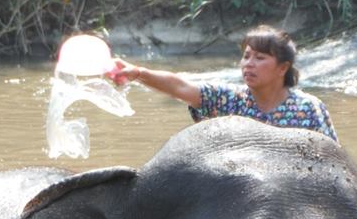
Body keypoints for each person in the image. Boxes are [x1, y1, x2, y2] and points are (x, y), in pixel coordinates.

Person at [106, 25, 338, 141]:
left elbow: (332, 161)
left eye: (259, 58)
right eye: (246, 56)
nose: (249, 64)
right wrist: (137, 73)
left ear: (282, 68)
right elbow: (181, 87)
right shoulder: (229, 100)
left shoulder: (308, 108)